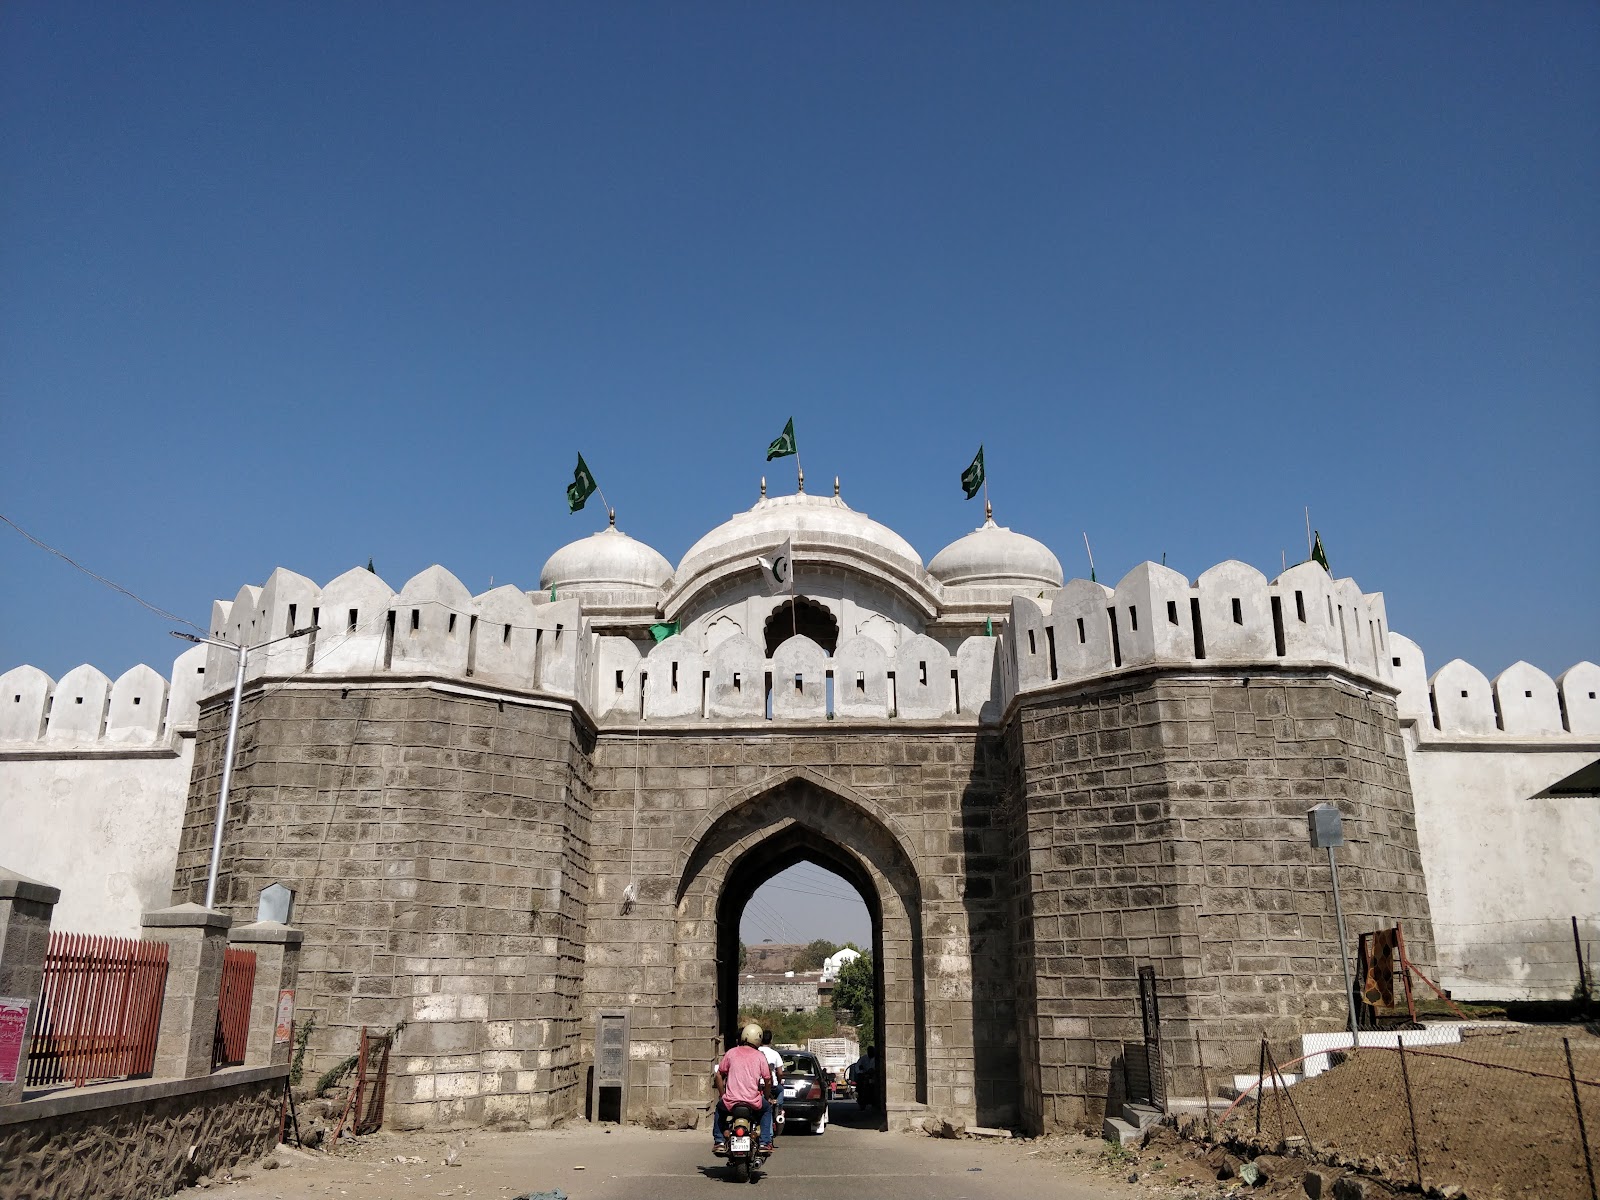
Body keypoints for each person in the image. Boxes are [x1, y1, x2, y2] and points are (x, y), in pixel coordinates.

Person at [712, 1023, 775, 1155]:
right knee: (767, 1109)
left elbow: (718, 1076)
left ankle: (719, 1141)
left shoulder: (731, 1053)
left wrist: (723, 1095)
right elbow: (768, 1080)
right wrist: (767, 1096)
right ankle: (764, 1142)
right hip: (753, 1101)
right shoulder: (760, 1056)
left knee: (719, 1109)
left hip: (731, 1101)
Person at [758, 1028, 784, 1129]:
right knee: (781, 1090)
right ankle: (778, 1108)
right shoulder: (775, 1054)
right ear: (771, 1040)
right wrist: (779, 1080)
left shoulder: (756, 1052)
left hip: (757, 1085)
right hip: (771, 1085)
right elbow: (780, 1073)